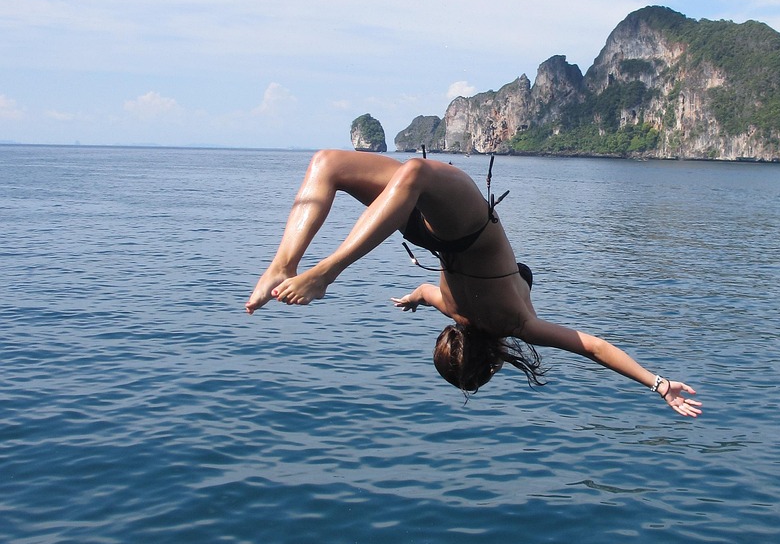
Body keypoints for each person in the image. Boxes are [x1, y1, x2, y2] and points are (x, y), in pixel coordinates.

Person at [245, 150, 702, 416]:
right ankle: (299, 269)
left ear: (495, 361)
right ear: (457, 340)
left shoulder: (517, 324)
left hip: (457, 226)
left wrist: (658, 382)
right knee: (351, 167)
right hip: (432, 230)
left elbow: (593, 346)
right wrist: (412, 300)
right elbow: (426, 294)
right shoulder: (453, 308)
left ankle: (303, 267)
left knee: (351, 167)